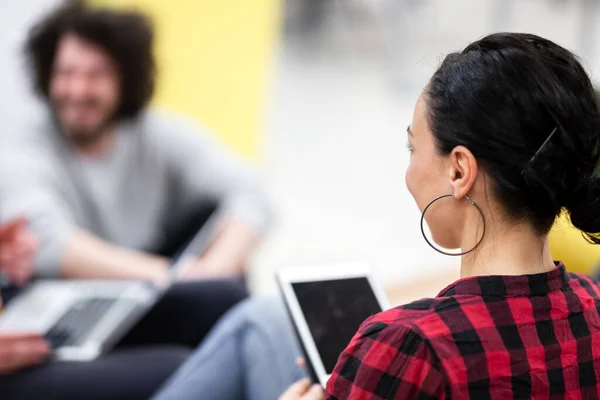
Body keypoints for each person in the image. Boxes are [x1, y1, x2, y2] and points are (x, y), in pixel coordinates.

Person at [157, 32, 600, 399]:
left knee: (258, 321)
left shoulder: (409, 347)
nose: (409, 173)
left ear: (460, 169)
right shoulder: (593, 308)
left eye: (413, 148)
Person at [0, 0, 271, 348]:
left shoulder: (155, 134)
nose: (78, 90)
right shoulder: (24, 149)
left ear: (124, 79)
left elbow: (252, 191)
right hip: (70, 303)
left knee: (225, 271)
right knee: (224, 302)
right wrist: (171, 276)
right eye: (66, 74)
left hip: (149, 286)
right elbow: (49, 242)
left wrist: (212, 270)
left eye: (95, 75)